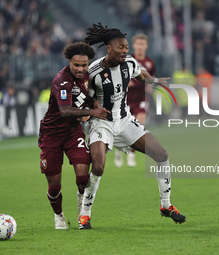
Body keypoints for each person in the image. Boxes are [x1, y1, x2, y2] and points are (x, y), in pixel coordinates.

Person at [78, 23, 186, 229]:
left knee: (162, 155)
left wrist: (154, 81)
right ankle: (85, 214)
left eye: (126, 47)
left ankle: (166, 206)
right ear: (109, 48)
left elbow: (141, 74)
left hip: (126, 120)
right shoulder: (93, 72)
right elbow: (86, 99)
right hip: (102, 124)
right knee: (99, 167)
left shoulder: (129, 63)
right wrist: (87, 115)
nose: (125, 50)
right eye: (121, 47)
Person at [38, 42, 110, 229]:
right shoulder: (61, 80)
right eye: (76, 65)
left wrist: (92, 104)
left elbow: (87, 96)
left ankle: (81, 204)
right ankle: (59, 216)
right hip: (52, 134)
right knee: (54, 186)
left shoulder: (88, 76)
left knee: (83, 176)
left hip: (73, 132)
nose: (80, 69)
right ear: (69, 62)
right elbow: (65, 111)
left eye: (84, 65)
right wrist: (92, 112)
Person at [114, 33, 155, 168]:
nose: (140, 47)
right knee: (122, 128)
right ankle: (120, 149)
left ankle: (131, 154)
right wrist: (125, 83)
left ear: (146, 46)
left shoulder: (150, 63)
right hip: (125, 98)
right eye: (137, 44)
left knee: (139, 124)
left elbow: (151, 79)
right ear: (134, 46)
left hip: (141, 98)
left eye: (142, 44)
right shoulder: (126, 60)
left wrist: (151, 86)